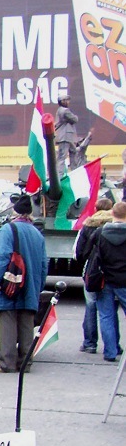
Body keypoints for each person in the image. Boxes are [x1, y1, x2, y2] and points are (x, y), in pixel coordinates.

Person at [0, 194, 48, 373]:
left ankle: (7, 362)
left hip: (10, 282)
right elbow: (44, 263)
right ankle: (25, 362)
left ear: (14, 211)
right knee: (27, 322)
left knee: (8, 320)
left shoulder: (8, 229)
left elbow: (1, 258)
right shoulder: (37, 233)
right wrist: (39, 285)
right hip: (31, 284)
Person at [75, 198, 118, 355]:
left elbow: (80, 253)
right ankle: (114, 346)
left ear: (95, 208)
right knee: (110, 310)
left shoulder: (89, 225)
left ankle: (90, 343)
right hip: (116, 273)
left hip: (93, 272)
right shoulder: (115, 225)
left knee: (91, 306)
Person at [91, 201, 126, 363]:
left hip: (105, 279)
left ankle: (110, 352)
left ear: (112, 214)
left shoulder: (100, 233)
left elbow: (89, 253)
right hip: (124, 280)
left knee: (106, 316)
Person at [54, 95, 79, 174]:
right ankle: (59, 176)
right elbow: (75, 119)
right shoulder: (65, 111)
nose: (68, 102)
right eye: (67, 100)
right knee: (62, 157)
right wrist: (75, 117)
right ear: (62, 101)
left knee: (73, 152)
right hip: (64, 137)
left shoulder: (60, 110)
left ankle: (74, 171)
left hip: (68, 137)